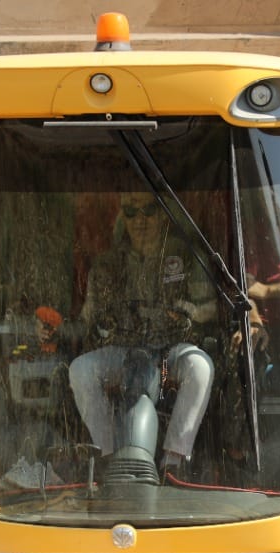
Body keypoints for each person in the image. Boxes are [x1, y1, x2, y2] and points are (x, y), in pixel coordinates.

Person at [68, 191, 216, 477]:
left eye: (149, 210)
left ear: (163, 215)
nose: (140, 220)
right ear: (123, 217)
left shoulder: (185, 253)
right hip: (123, 350)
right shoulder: (107, 263)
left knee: (200, 367)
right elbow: (87, 317)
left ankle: (173, 463)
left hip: (171, 349)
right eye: (131, 213)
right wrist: (53, 328)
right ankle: (108, 457)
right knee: (80, 369)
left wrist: (190, 312)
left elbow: (211, 307)